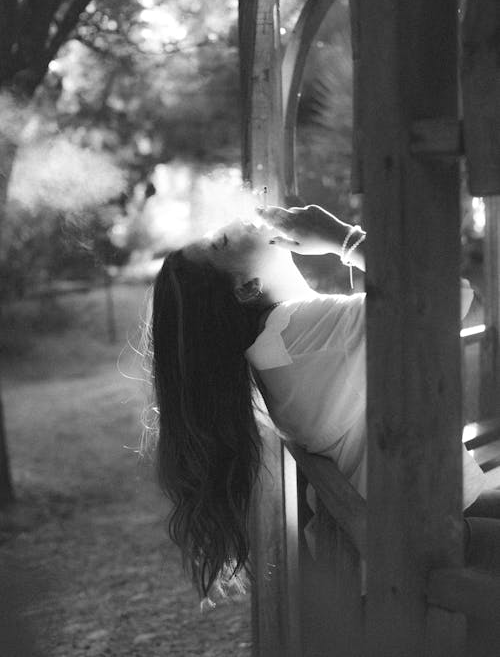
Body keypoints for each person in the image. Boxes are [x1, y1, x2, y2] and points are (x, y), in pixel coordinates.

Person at [150, 203, 492, 598]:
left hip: (409, 523)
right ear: (246, 288)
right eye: (223, 240)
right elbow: (456, 300)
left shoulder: (277, 340)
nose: (238, 219)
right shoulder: (307, 329)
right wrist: (341, 238)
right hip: (422, 544)